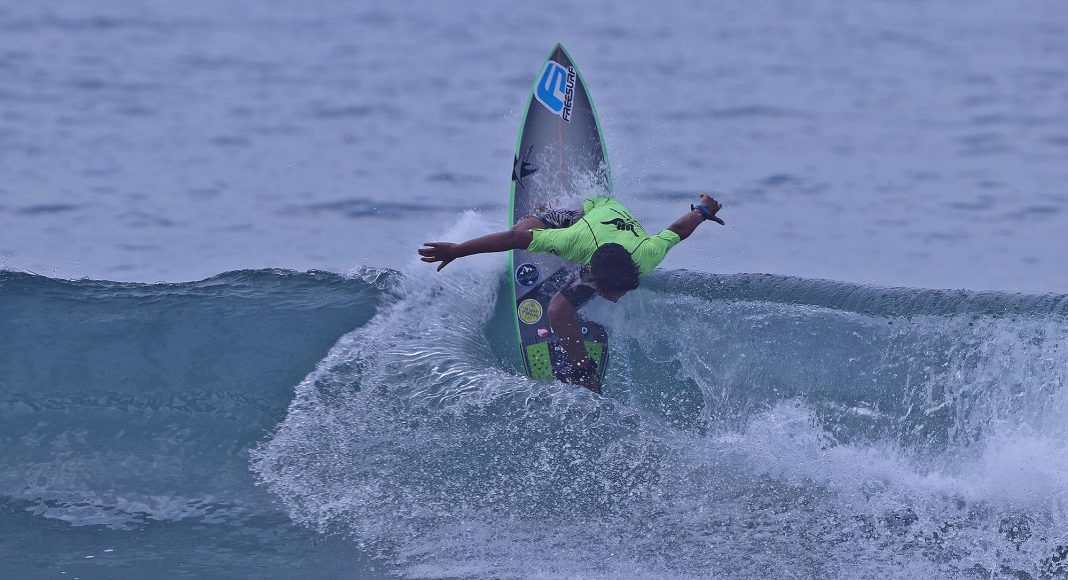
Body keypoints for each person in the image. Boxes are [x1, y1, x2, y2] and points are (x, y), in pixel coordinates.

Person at [418, 193, 725, 392]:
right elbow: (514, 237)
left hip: (614, 226)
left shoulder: (647, 255)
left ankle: (584, 373)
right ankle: (546, 210)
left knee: (558, 310)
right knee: (529, 229)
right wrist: (458, 249)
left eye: (618, 293)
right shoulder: (573, 240)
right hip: (590, 214)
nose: (616, 299)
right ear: (589, 272)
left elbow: (678, 230)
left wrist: (703, 210)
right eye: (612, 293)